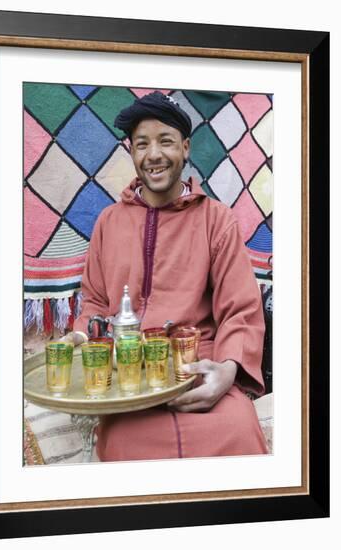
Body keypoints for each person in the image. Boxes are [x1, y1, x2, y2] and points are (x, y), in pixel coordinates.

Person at [65, 91, 268, 461]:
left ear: (186, 148)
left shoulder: (216, 219)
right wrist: (85, 336)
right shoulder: (108, 222)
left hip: (198, 371)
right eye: (142, 144)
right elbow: (93, 302)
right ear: (131, 152)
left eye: (166, 141)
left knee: (239, 431)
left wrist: (226, 371)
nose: (153, 154)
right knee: (125, 449)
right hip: (128, 378)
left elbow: (240, 310)